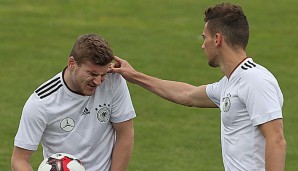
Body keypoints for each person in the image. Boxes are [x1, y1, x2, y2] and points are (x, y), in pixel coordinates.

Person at [110, 3, 286, 171]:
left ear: (217, 39)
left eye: (205, 38)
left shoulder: (255, 80)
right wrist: (134, 76)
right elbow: (188, 95)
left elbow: (276, 139)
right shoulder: (231, 83)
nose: (203, 45)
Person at [11, 33, 136, 171]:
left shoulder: (114, 81)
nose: (98, 81)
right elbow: (19, 159)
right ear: (72, 63)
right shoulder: (42, 103)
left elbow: (125, 134)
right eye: (92, 74)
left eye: (103, 74)